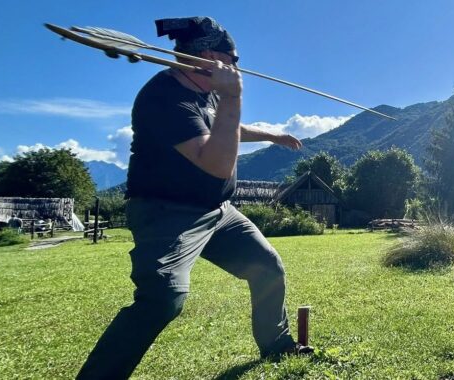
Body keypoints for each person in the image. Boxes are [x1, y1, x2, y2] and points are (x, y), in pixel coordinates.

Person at [77, 17, 311, 379]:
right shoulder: (163, 98)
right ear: (210, 57)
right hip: (166, 212)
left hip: (217, 211)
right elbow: (216, 165)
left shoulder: (208, 91)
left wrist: (271, 135)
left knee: (267, 268)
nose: (237, 66)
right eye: (233, 59)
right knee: (163, 298)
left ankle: (277, 345)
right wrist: (233, 95)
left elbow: (223, 125)